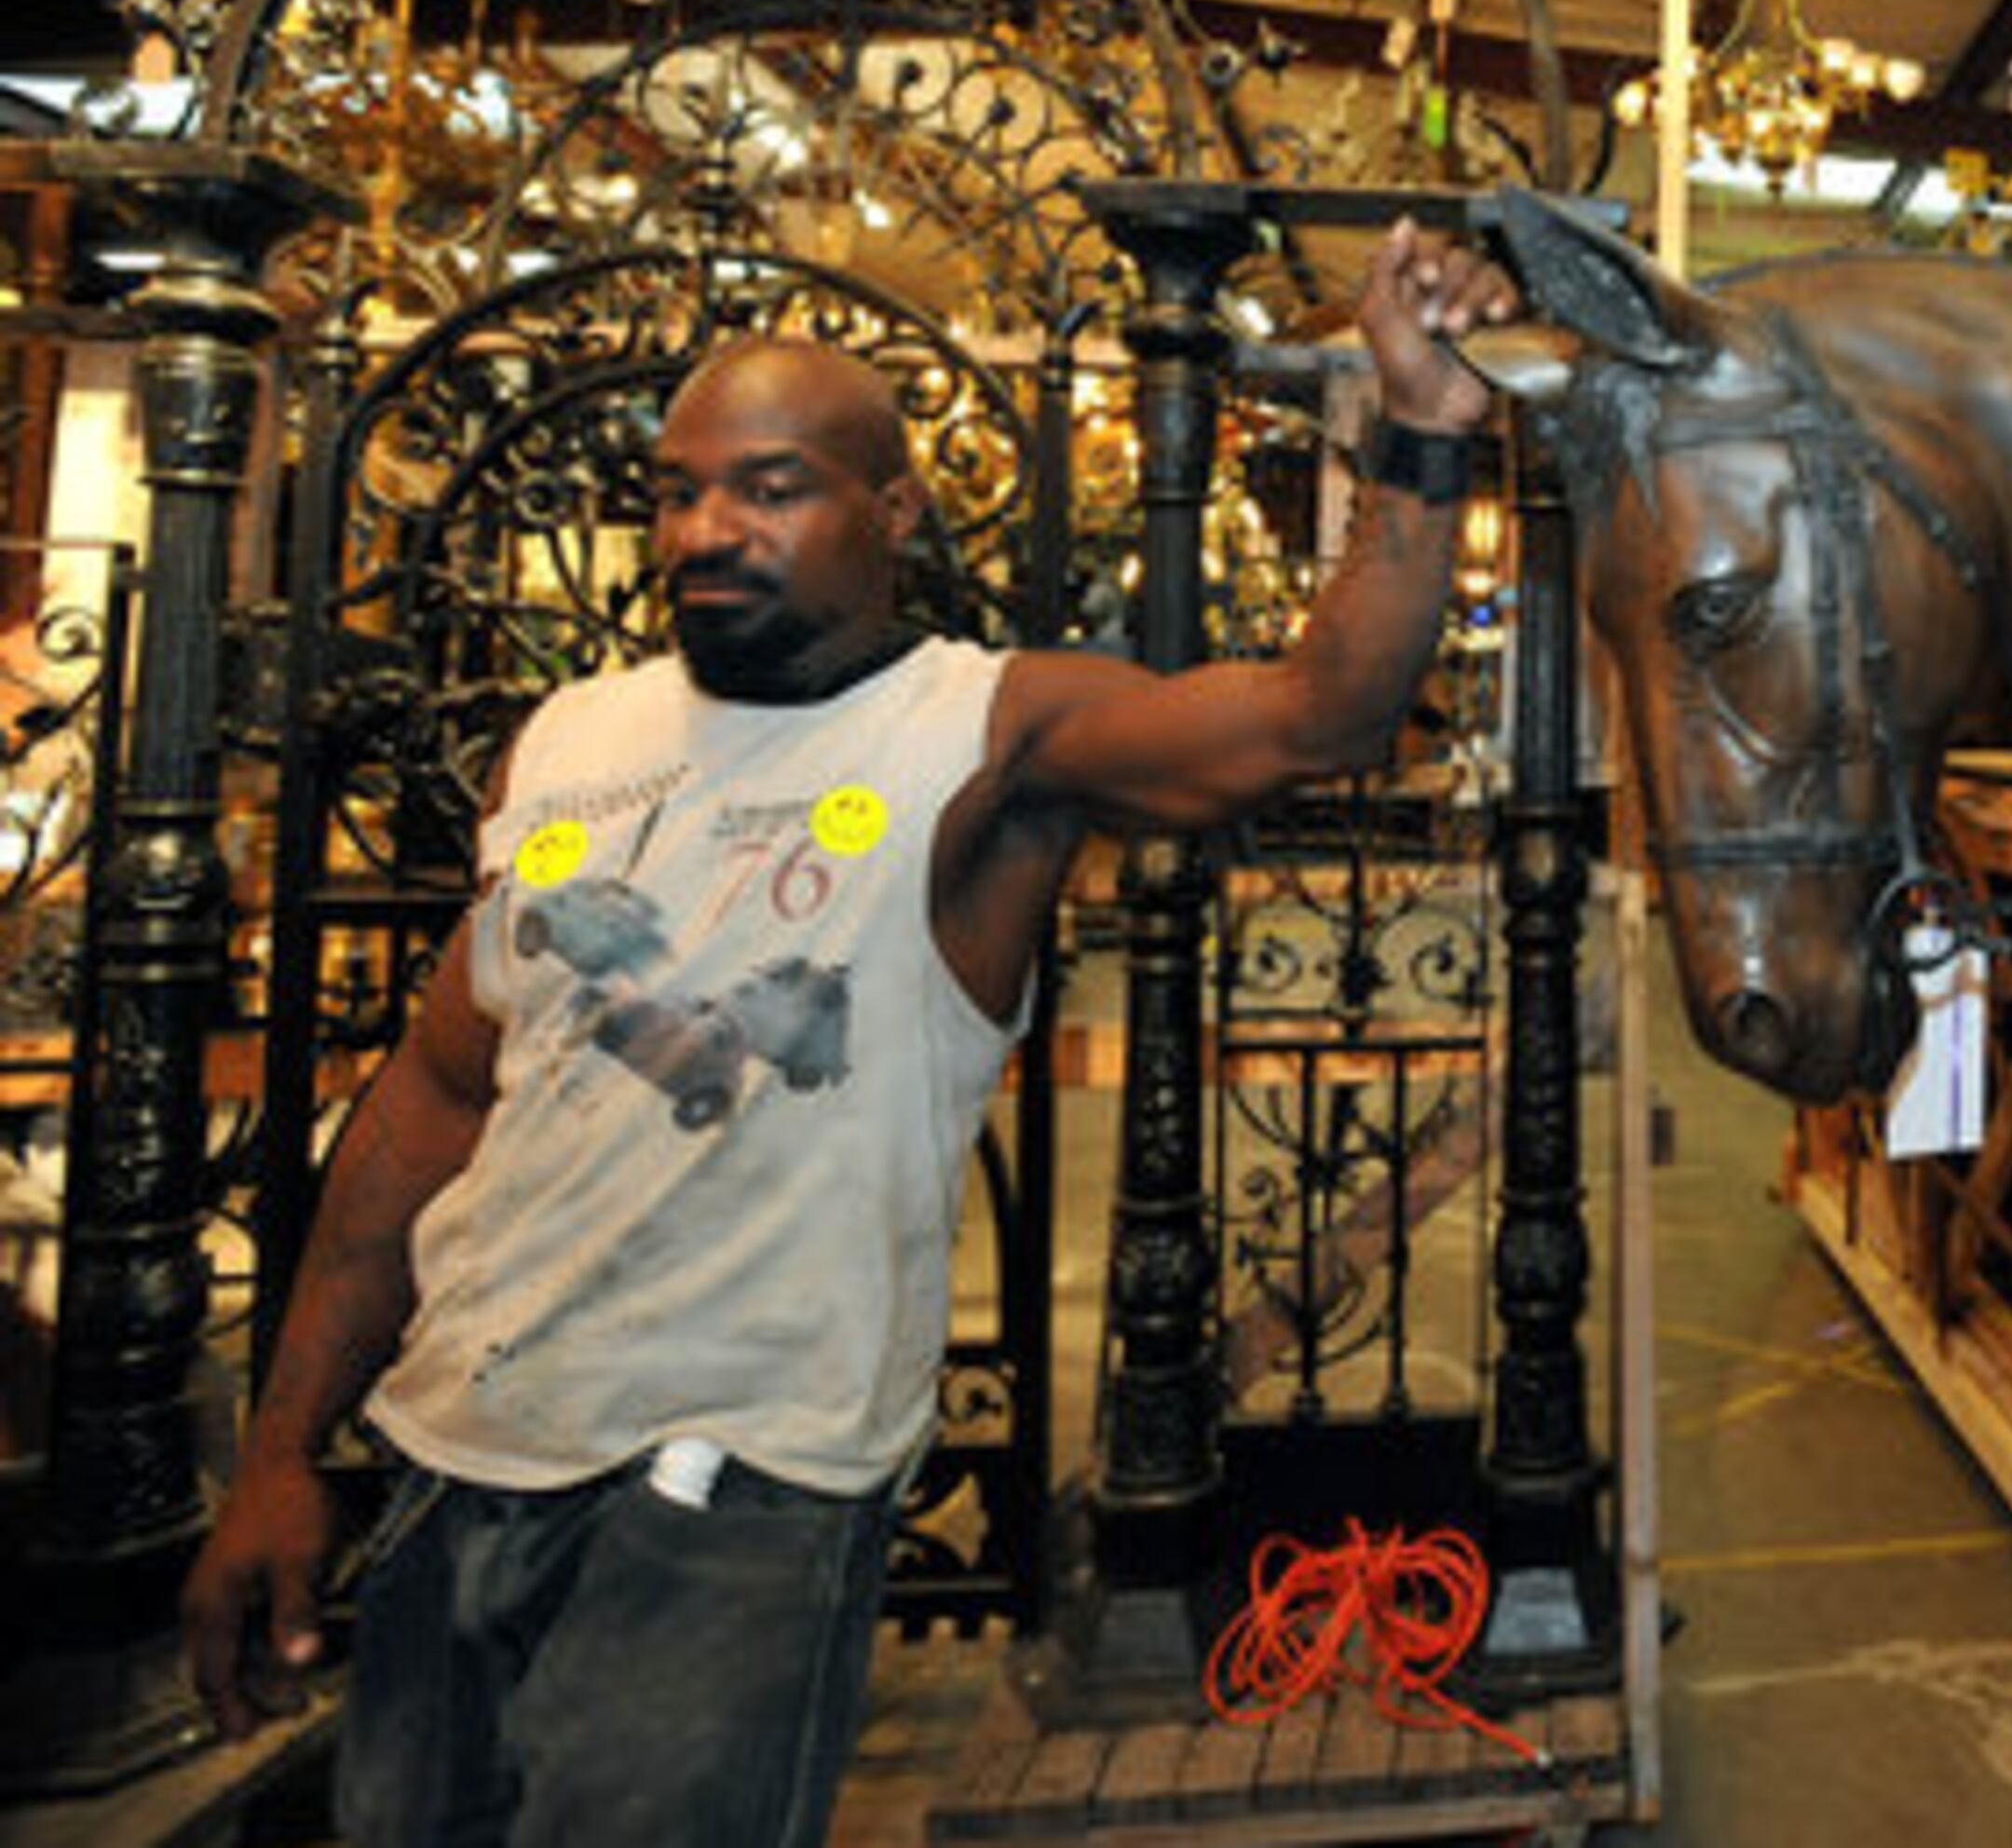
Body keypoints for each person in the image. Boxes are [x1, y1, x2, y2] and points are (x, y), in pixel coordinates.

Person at [180, 220, 1520, 1842]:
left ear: (890, 511)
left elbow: (1330, 709)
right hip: (454, 1459)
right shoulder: (570, 739)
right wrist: (279, 1451)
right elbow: (432, 1104)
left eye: (768, 486)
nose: (705, 529)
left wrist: (1422, 432)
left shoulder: (984, 730)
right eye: (676, 492)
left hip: (737, 1489)